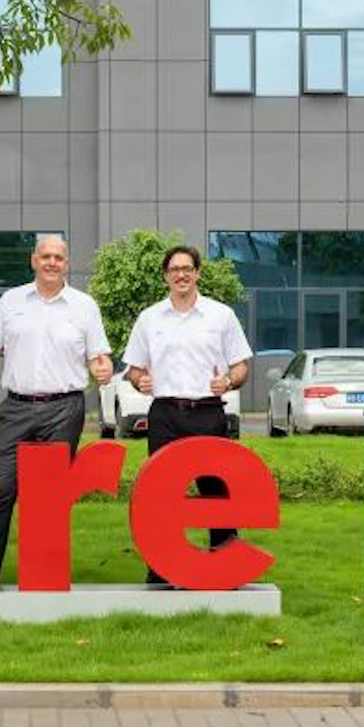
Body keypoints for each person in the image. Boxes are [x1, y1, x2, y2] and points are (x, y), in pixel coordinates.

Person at [0, 233, 113, 584]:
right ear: (34, 260)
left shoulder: (84, 306)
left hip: (63, 410)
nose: (51, 263)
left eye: (58, 258)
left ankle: (44, 577)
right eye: (45, 256)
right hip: (16, 409)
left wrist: (103, 368)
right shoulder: (10, 301)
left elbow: (100, 356)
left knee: (48, 498)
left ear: (67, 264)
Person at [121, 244, 253, 585]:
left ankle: (226, 566)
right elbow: (133, 370)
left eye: (187, 268)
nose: (181, 274)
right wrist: (140, 380)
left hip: (208, 414)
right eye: (174, 269)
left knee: (217, 491)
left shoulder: (220, 315)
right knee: (160, 494)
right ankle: (161, 569)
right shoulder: (149, 318)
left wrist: (228, 380)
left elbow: (241, 366)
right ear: (166, 276)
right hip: (165, 414)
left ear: (197, 273)